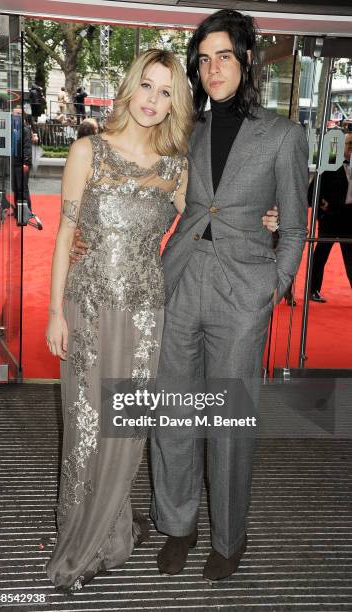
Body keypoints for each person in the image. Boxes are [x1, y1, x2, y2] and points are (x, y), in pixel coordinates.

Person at [46, 47, 278, 592]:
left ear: (177, 102)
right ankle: (80, 530)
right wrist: (55, 311)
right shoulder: (88, 151)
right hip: (88, 303)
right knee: (84, 425)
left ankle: (110, 530)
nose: (153, 100)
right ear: (131, 88)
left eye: (167, 90)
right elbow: (62, 236)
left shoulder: (177, 170)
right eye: (147, 85)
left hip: (147, 313)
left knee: (124, 428)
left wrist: (270, 217)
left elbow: (216, 213)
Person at [148, 9, 308, 582]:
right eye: (204, 58)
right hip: (181, 277)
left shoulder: (284, 135)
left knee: (230, 424)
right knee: (173, 413)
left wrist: (275, 283)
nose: (212, 68)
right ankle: (178, 525)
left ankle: (229, 536)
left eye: (224, 56)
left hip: (243, 289)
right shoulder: (185, 128)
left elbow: (294, 223)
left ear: (245, 60)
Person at [309, 131, 352, 302]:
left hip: (349, 220)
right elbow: (312, 192)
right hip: (331, 219)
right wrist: (323, 207)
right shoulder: (328, 165)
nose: (351, 147)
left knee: (351, 258)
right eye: (349, 143)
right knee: (320, 256)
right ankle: (313, 290)